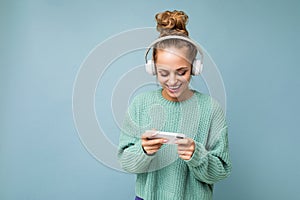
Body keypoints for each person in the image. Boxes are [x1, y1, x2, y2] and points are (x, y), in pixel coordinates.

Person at [118, 10, 232, 200]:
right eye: (164, 73)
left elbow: (221, 171)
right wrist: (143, 150)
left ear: (195, 68)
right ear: (152, 69)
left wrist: (197, 155)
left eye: (182, 72)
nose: (173, 81)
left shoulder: (211, 109)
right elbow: (126, 162)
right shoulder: (141, 104)